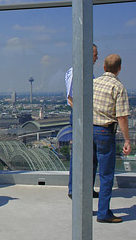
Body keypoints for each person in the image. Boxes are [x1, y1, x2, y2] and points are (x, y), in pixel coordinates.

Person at [93, 54, 131, 223]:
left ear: (103, 67)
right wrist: (127, 140)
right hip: (104, 132)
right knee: (106, 174)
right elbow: (122, 117)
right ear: (119, 69)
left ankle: (84, 209)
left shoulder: (93, 83)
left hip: (88, 131)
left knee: (87, 171)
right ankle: (103, 213)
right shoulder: (118, 87)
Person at [65, 44, 99, 199]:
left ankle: (87, 187)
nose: (96, 58)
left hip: (89, 116)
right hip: (80, 117)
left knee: (91, 155)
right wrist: (82, 115)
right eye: (94, 54)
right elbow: (70, 99)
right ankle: (74, 189)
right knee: (79, 154)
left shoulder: (89, 73)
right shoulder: (74, 72)